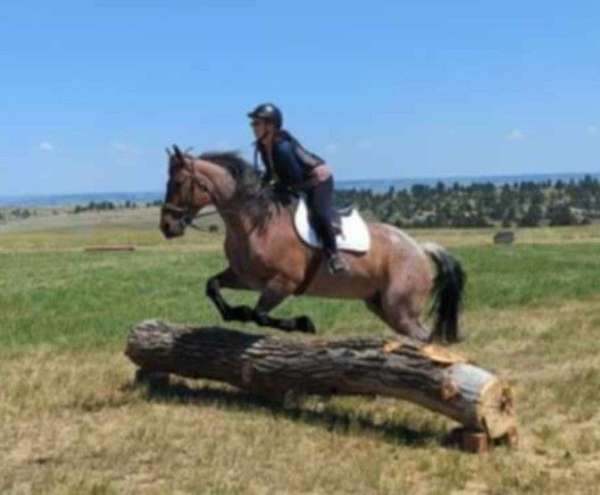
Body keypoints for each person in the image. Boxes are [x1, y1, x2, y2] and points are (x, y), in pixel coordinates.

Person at [248, 103, 349, 274]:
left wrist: (274, 187)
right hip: (298, 181)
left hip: (317, 182)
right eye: (253, 124)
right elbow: (271, 173)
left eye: (257, 123)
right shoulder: (264, 145)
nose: (253, 127)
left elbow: (294, 180)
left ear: (270, 125)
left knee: (318, 212)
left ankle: (334, 255)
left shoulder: (282, 147)